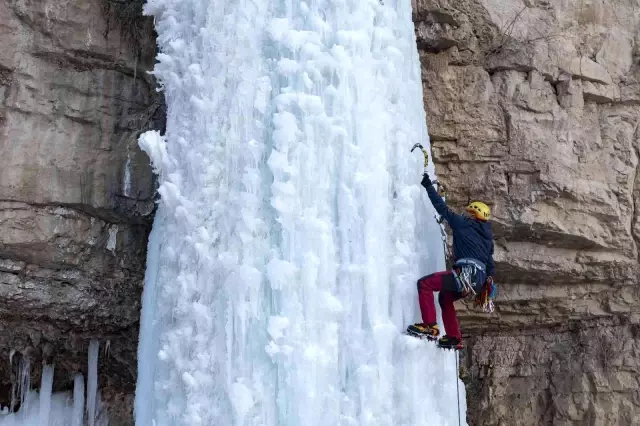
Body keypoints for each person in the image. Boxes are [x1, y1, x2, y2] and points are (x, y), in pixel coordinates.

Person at [407, 173, 497, 350]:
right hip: (477, 282)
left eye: (470, 212)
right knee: (445, 297)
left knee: (424, 284)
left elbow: (442, 209)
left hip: (464, 275)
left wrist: (428, 186)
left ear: (474, 215)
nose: (467, 214)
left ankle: (430, 326)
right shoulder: (488, 239)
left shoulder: (464, 223)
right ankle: (454, 338)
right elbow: (490, 265)